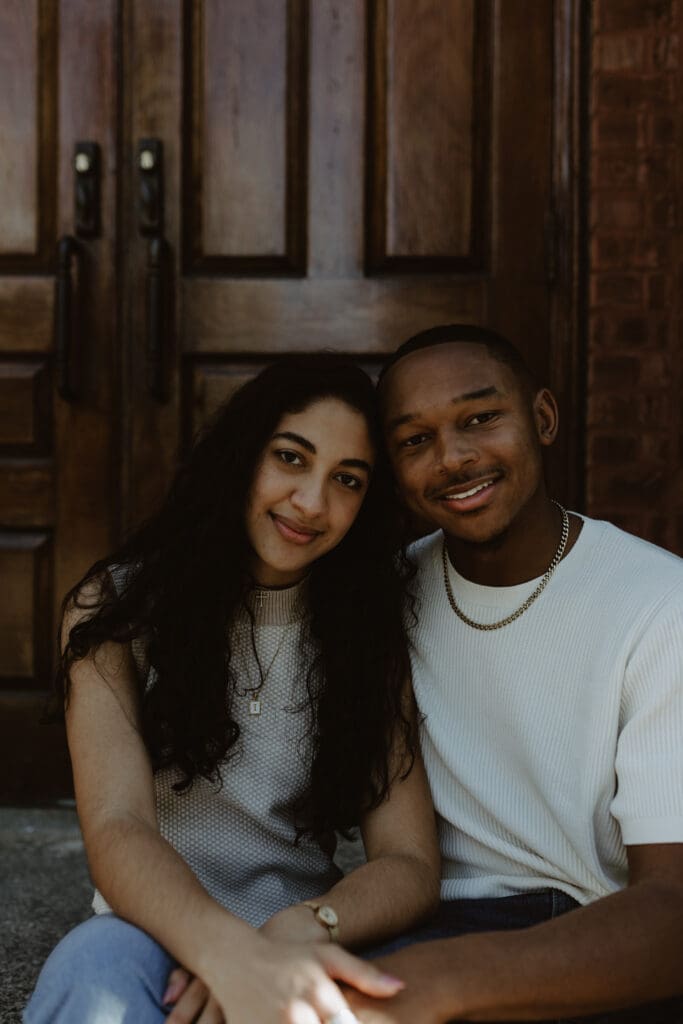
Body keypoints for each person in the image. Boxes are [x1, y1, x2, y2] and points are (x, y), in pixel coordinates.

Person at [25, 354, 440, 1024]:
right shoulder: (119, 608)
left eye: (348, 480)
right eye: (290, 457)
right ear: (240, 455)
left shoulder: (365, 631)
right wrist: (225, 954)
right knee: (91, 977)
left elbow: (410, 860)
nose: (312, 502)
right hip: (148, 931)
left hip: (307, 934)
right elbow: (117, 825)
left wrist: (298, 932)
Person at [345, 324, 683, 1023]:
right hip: (426, 922)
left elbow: (672, 909)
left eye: (479, 419)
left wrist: (439, 980)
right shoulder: (384, 599)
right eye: (415, 441)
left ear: (542, 418)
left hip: (596, 942)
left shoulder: (658, 603)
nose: (453, 458)